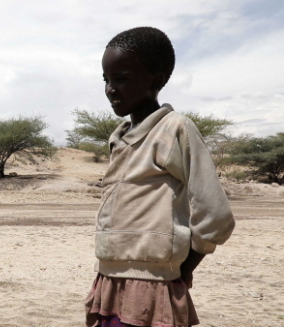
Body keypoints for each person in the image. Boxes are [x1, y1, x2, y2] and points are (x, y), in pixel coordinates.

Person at [84, 27, 236, 327]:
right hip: (108, 281)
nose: (110, 89)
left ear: (157, 79)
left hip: (153, 286)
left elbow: (216, 215)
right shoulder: (119, 140)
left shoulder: (174, 129)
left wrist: (185, 266)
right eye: (106, 80)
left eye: (121, 78)